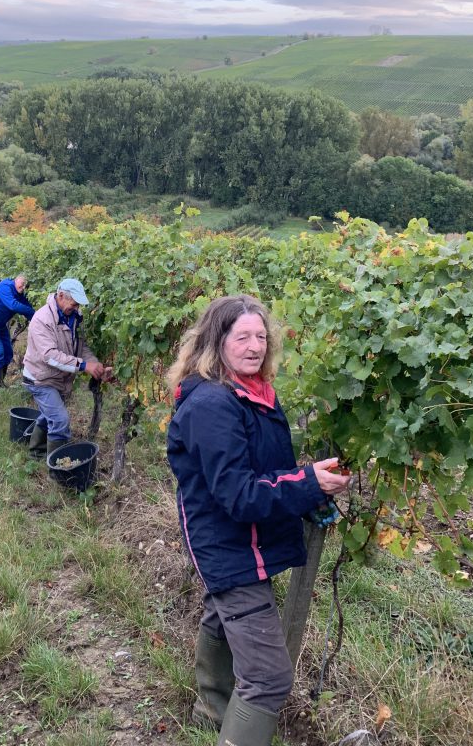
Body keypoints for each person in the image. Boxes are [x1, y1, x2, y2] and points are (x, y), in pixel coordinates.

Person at [166, 295, 351, 746]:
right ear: (217, 340)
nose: (254, 346)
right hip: (229, 545)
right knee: (268, 677)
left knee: (219, 615)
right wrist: (307, 484)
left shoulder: (251, 392)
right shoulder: (213, 402)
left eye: (261, 337)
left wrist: (306, 486)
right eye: (242, 336)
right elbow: (239, 494)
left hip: (239, 539)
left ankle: (210, 713)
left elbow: (261, 469)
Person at [22, 277, 112, 458]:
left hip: (57, 378)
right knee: (60, 420)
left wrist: (96, 366)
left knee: (50, 415)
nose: (76, 308)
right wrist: (84, 366)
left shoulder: (74, 318)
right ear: (61, 296)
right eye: (74, 303)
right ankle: (57, 467)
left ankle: (36, 452)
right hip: (40, 378)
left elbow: (81, 347)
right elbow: (50, 356)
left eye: (78, 305)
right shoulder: (42, 320)